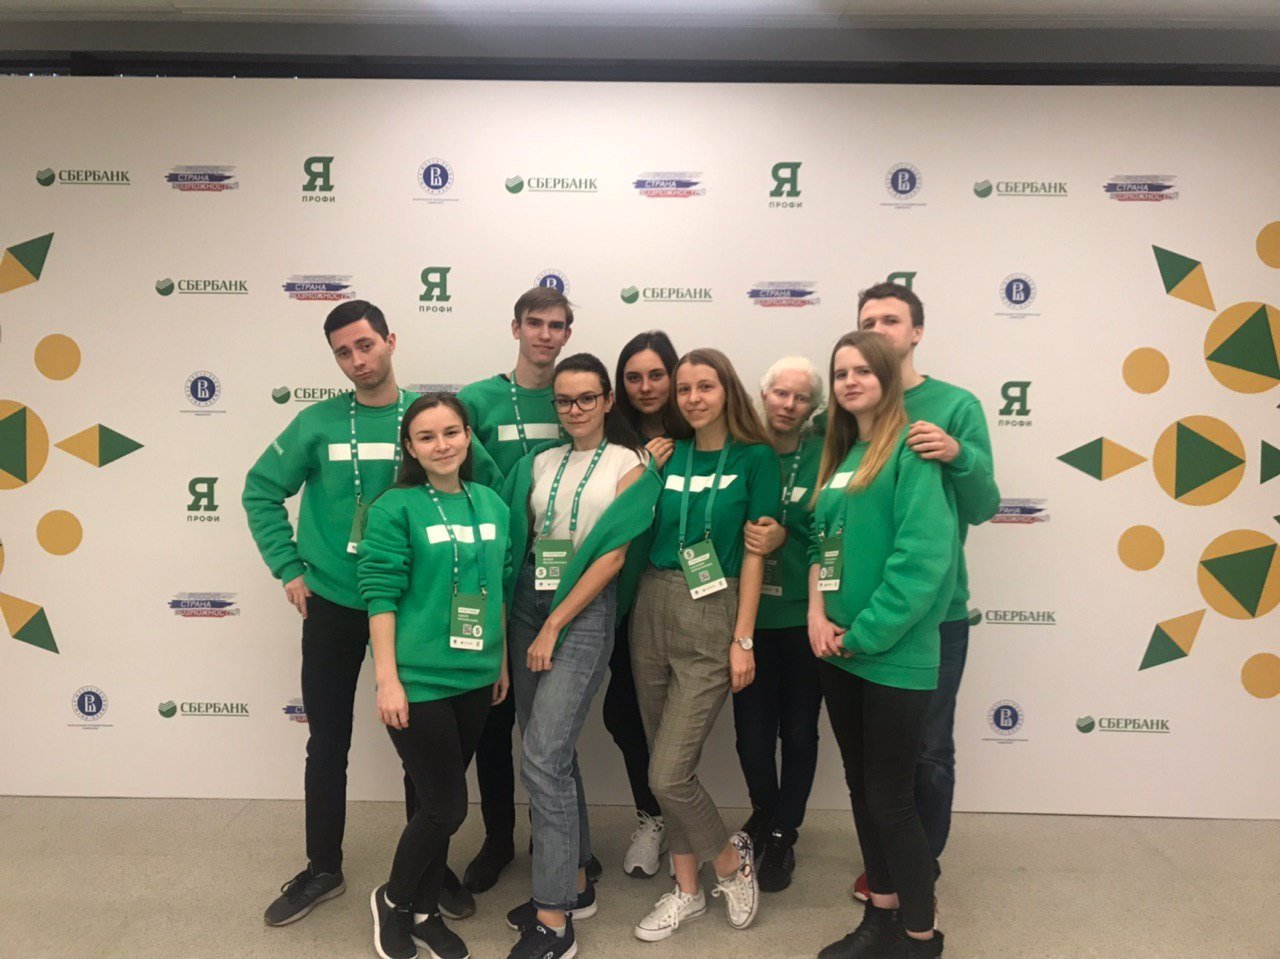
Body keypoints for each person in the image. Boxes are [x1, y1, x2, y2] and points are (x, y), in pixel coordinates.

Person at [244, 301, 482, 927]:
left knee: (421, 754)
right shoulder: (317, 423)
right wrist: (288, 567)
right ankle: (323, 867)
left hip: (413, 610)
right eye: (344, 352)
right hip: (332, 602)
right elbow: (260, 490)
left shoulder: (429, 418)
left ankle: (428, 869)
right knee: (328, 742)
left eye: (366, 345)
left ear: (390, 341)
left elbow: (478, 490)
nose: (358, 360)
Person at [500, 353, 662, 959]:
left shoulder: (632, 464)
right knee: (549, 749)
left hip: (584, 609)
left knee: (543, 757)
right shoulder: (539, 462)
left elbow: (614, 556)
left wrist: (555, 624)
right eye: (564, 400)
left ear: (607, 400)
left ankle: (554, 921)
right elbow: (518, 535)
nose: (574, 409)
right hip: (527, 600)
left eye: (587, 398)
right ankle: (573, 881)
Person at [808, 331, 958, 959]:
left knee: (893, 803)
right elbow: (821, 544)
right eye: (840, 372)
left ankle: (921, 939)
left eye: (863, 371)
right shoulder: (844, 454)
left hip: (890, 653)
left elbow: (921, 560)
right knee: (862, 791)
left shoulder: (912, 451)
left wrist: (863, 634)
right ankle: (883, 915)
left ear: (887, 377)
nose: (850, 381)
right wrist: (817, 615)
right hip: (839, 650)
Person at [850, 282, 1000, 902]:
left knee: (930, 748)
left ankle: (919, 867)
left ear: (916, 333)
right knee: (872, 757)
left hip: (936, 613)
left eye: (891, 320)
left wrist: (959, 453)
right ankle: (889, 867)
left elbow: (984, 505)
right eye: (867, 321)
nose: (879, 330)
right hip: (861, 611)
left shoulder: (954, 405)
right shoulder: (851, 405)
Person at [629, 348, 780, 942]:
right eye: (684, 388)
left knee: (670, 774)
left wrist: (743, 637)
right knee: (659, 762)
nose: (692, 398)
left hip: (715, 606)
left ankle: (731, 864)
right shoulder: (670, 453)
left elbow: (756, 552)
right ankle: (687, 891)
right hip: (653, 602)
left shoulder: (755, 458)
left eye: (705, 386)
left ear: (727, 391)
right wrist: (644, 467)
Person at [358, 393, 512, 959]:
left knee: (432, 802)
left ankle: (425, 913)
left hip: (474, 676)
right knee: (447, 807)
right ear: (410, 447)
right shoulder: (394, 507)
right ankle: (393, 900)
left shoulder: (492, 503)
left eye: (451, 432)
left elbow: (499, 585)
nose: (441, 445)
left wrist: (498, 662)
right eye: (426, 436)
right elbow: (379, 595)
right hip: (417, 681)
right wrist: (387, 680)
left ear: (468, 436)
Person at [455, 287, 576, 893]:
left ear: (567, 334)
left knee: (550, 724)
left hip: (561, 574)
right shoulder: (477, 400)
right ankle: (498, 838)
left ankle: (556, 838)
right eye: (535, 323)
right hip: (491, 570)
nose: (545, 335)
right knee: (493, 720)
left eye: (556, 325)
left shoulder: (575, 395)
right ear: (516, 328)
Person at [733, 356, 826, 893]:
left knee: (799, 732)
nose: (788, 405)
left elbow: (829, 530)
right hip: (749, 619)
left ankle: (783, 832)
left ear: (813, 407)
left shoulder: (825, 454)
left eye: (801, 397)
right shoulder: (745, 450)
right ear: (763, 395)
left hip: (802, 618)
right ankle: (767, 812)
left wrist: (787, 537)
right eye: (780, 394)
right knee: (750, 738)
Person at [606, 330, 691, 877]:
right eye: (633, 377)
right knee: (622, 713)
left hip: (682, 598)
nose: (645, 387)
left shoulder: (699, 434)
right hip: (620, 597)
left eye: (656, 374)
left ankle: (680, 821)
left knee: (673, 719)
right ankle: (653, 816)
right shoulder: (614, 442)